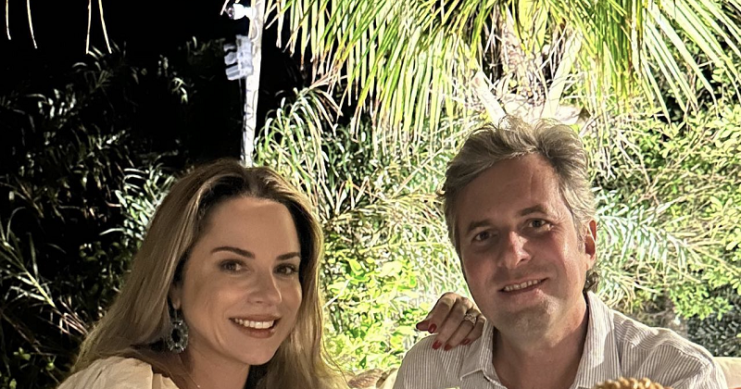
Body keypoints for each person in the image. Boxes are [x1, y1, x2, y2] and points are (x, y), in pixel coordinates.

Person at [58, 159, 482, 389]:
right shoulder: (125, 383)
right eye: (233, 265)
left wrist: (474, 333)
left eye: (284, 269)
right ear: (174, 283)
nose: (269, 294)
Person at [394, 117, 727, 389]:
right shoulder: (429, 375)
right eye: (483, 236)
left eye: (537, 223)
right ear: (463, 264)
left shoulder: (678, 375)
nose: (512, 255)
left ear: (587, 243)